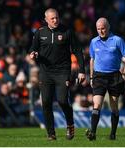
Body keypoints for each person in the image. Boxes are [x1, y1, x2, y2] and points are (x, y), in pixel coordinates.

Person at [29, 8, 85, 140]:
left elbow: (77, 50)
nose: (55, 20)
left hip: (62, 71)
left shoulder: (67, 31)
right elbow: (33, 47)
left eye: (57, 17)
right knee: (46, 102)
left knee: (62, 101)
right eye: (52, 18)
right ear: (46, 19)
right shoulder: (40, 32)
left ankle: (70, 124)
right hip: (45, 72)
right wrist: (33, 53)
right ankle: (51, 134)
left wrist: (82, 70)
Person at [86, 17, 125, 140]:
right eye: (98, 29)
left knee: (114, 105)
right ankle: (93, 133)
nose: (101, 31)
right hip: (99, 76)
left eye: (103, 28)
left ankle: (113, 134)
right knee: (97, 104)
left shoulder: (117, 40)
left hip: (114, 76)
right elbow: (92, 59)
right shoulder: (94, 42)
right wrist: (91, 77)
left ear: (108, 27)